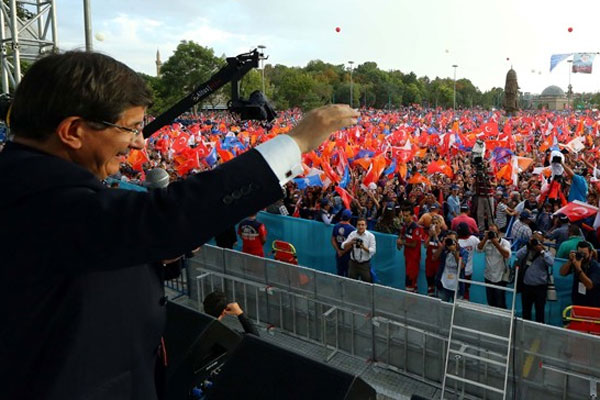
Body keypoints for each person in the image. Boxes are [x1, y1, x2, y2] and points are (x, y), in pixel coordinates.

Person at [0, 51, 359, 400]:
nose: (140, 142)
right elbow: (166, 215)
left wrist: (160, 254)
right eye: (130, 128)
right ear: (73, 131)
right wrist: (296, 141)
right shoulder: (33, 196)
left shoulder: (33, 183)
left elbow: (91, 259)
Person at [514, 238, 554, 323]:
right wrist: (527, 246)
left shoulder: (545, 252)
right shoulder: (526, 250)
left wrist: (542, 251)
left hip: (540, 287)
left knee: (540, 312)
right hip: (527, 286)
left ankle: (539, 332)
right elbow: (517, 255)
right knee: (526, 312)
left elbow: (551, 262)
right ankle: (525, 329)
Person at [477, 224, 511, 308]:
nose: (491, 234)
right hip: (488, 276)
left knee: (500, 302)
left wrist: (496, 243)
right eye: (490, 232)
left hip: (500, 277)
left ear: (498, 233)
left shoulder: (504, 243)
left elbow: (507, 255)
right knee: (490, 301)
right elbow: (479, 249)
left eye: (493, 232)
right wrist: (485, 238)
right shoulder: (487, 242)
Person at [559, 242, 600, 307]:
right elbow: (562, 273)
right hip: (577, 300)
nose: (582, 257)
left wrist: (578, 268)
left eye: (584, 254)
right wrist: (570, 260)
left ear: (591, 253)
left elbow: (589, 285)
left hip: (592, 302)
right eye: (580, 253)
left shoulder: (595, 267)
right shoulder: (576, 262)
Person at [433, 231, 468, 302]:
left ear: (457, 241)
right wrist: (442, 246)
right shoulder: (444, 249)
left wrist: (455, 252)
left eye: (452, 240)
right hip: (443, 284)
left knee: (456, 310)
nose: (450, 242)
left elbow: (461, 267)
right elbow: (434, 258)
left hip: (456, 287)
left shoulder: (463, 251)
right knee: (442, 308)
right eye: (448, 240)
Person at [342, 217, 376, 282]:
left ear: (366, 226)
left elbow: (373, 251)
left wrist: (363, 247)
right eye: (359, 225)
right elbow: (343, 245)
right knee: (351, 282)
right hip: (353, 264)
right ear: (356, 225)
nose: (360, 227)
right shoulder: (353, 234)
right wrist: (351, 242)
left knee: (367, 283)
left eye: (362, 225)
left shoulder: (371, 236)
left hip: (364, 264)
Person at [397, 205, 422, 292]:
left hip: (414, 259)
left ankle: (409, 300)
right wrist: (399, 240)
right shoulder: (405, 225)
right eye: (404, 215)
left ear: (412, 216)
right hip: (407, 256)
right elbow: (402, 234)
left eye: (407, 215)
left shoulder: (415, 227)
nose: (405, 217)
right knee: (410, 281)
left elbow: (414, 244)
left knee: (410, 279)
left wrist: (402, 243)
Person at [457, 222, 480, 301]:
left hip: (466, 271)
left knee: (464, 290)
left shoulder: (472, 239)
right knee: (462, 290)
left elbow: (480, 248)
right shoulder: (473, 239)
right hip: (460, 270)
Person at [331, 209, 355, 277]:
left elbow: (333, 240)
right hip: (348, 255)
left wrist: (338, 251)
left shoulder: (336, 226)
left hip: (338, 254)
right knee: (347, 273)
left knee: (339, 272)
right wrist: (343, 251)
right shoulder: (352, 229)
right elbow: (352, 243)